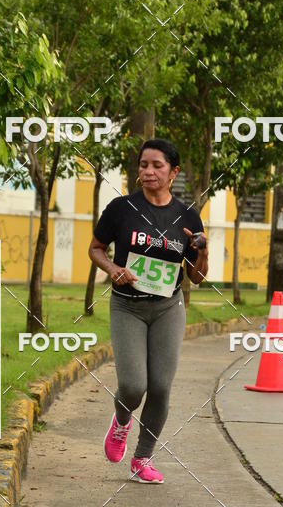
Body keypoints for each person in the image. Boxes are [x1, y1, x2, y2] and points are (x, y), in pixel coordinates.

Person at [88, 138, 209, 484]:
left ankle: (142, 458)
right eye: (144, 165)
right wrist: (113, 268)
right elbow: (96, 248)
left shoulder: (187, 217)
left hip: (168, 307)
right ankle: (121, 421)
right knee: (132, 385)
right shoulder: (121, 208)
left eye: (157, 165)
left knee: (160, 386)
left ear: (174, 172)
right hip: (127, 306)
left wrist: (202, 251)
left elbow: (197, 277)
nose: (149, 171)